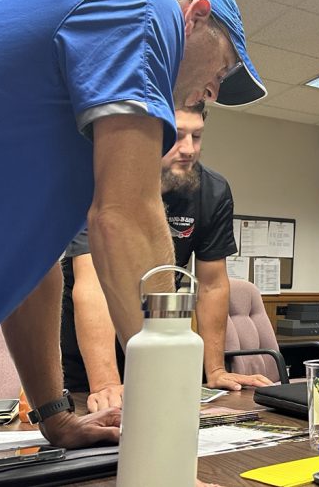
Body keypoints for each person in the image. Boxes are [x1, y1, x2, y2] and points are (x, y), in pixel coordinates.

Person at [0, 0, 266, 451]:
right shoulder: (146, 5)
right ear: (195, 18)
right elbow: (127, 215)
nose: (213, 93)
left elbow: (34, 272)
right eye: (221, 70)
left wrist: (55, 417)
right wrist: (168, 439)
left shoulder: (68, 146)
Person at [61, 103, 273, 412]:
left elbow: (212, 285)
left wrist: (214, 370)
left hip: (157, 329)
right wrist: (105, 382)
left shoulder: (213, 192)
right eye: (177, 136)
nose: (188, 149)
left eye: (197, 136)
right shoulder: (101, 179)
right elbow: (93, 285)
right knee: (102, 428)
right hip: (92, 347)